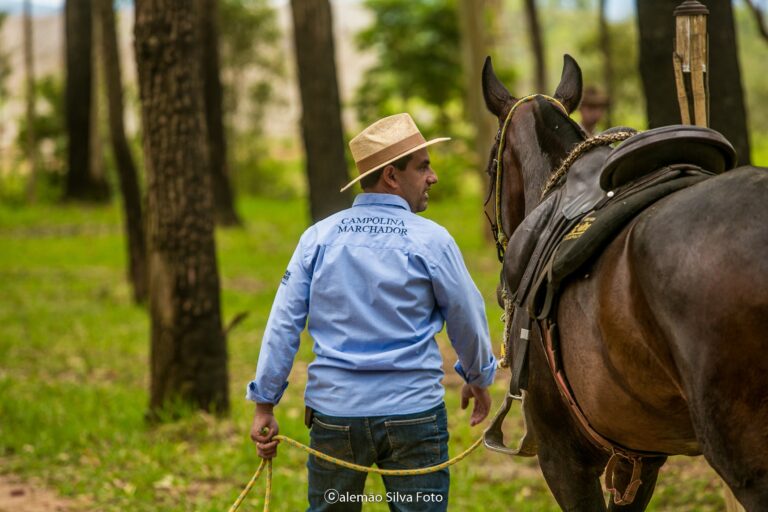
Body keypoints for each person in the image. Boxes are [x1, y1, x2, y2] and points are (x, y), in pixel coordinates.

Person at [247, 112, 497, 511]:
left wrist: (265, 404)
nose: (432, 177)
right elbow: (467, 315)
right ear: (392, 177)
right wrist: (478, 375)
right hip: (414, 418)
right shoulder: (431, 240)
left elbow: (283, 322)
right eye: (423, 166)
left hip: (335, 419)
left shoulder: (319, 237)